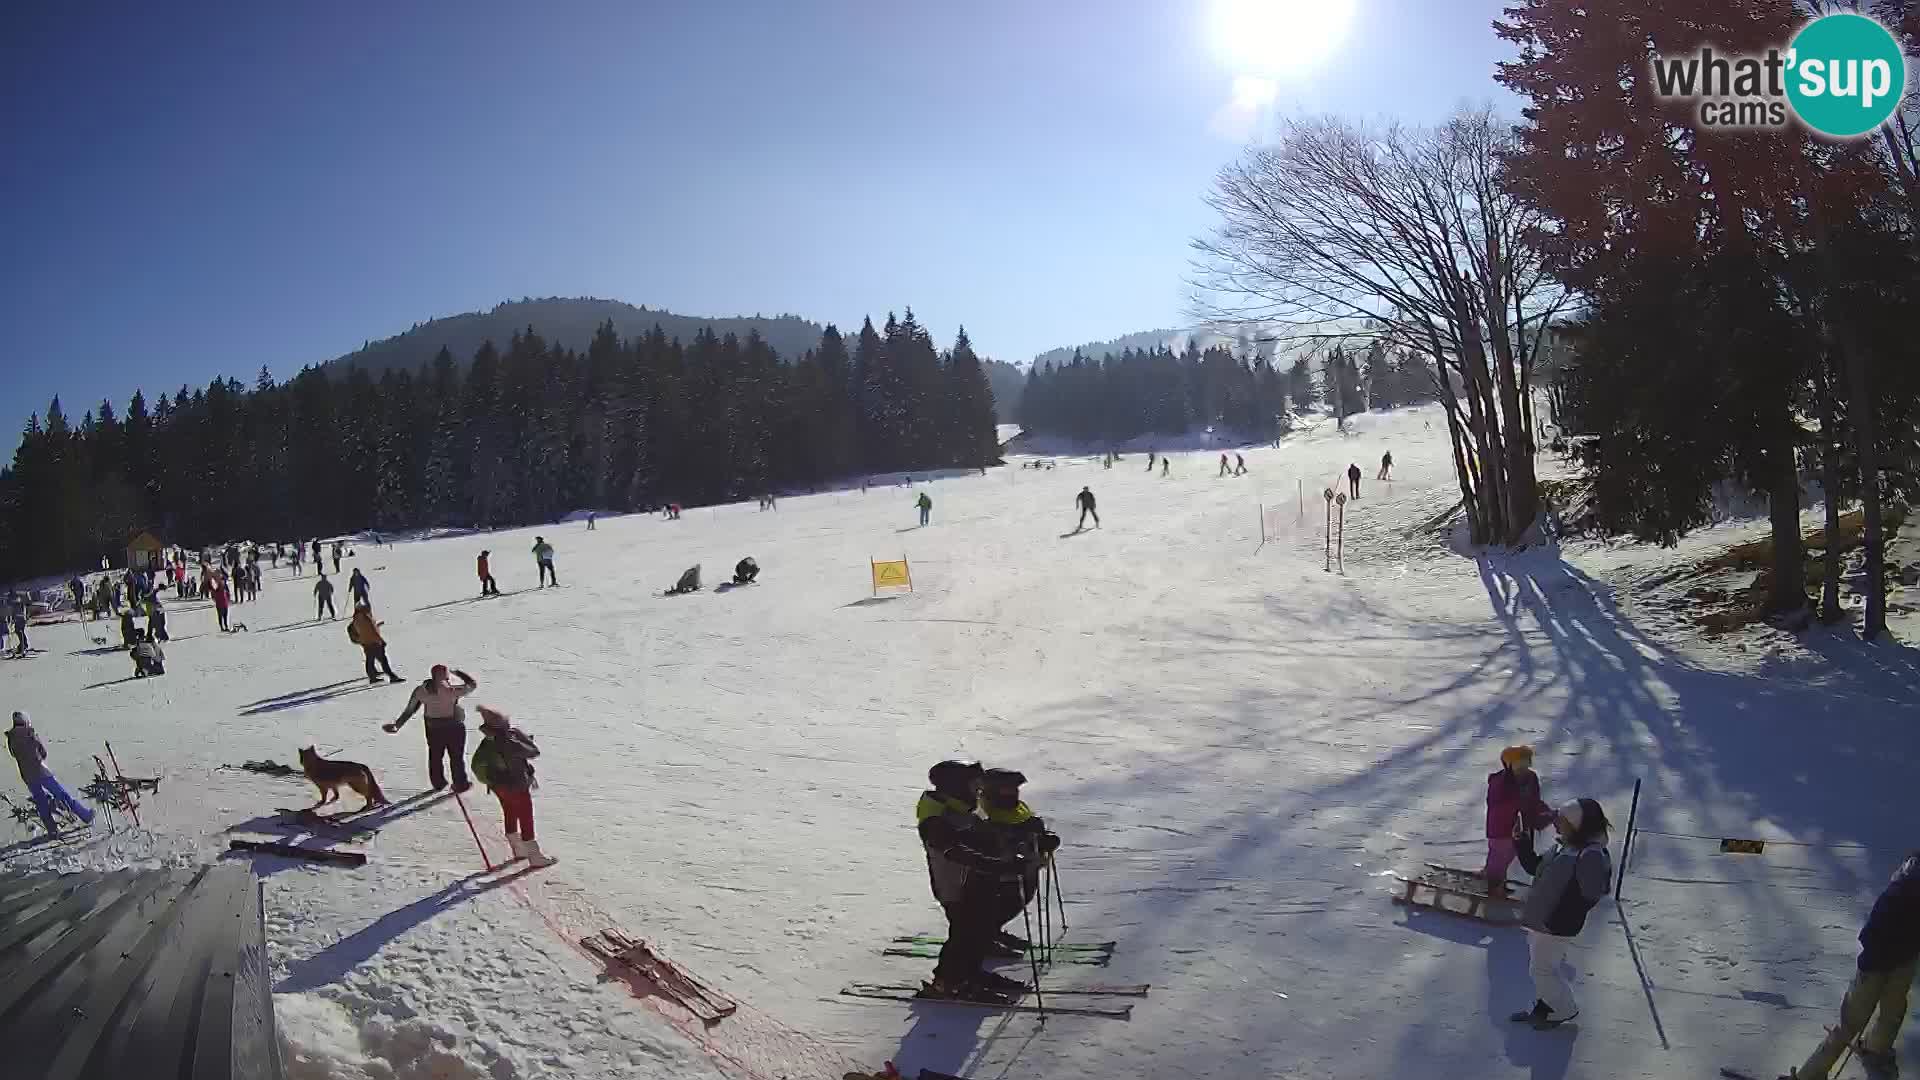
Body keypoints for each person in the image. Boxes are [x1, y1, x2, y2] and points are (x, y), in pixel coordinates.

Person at [1783, 851, 1920, 1079]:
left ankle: (1877, 1049)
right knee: (1851, 1023)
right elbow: (1872, 932)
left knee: (1893, 1011)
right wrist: (1880, 958)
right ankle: (1811, 1074)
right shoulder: (1900, 890)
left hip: (1904, 960)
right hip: (1876, 964)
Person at [915, 759, 1029, 1002]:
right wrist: (1000, 865)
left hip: (977, 882)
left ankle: (970, 974)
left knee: (980, 930)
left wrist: (1019, 847)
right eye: (972, 784)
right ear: (955, 786)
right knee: (964, 935)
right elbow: (957, 853)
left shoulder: (962, 809)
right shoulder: (936, 819)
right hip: (956, 886)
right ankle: (948, 983)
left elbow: (989, 837)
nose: (977, 790)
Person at [1511, 799, 1612, 1028]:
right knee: (1540, 967)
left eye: (1562, 820)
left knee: (1542, 969)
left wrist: (1559, 910)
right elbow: (1535, 867)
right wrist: (1521, 843)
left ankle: (1563, 1009)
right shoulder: (1563, 846)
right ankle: (1545, 1005)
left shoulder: (1590, 855)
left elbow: (1592, 894)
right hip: (1541, 919)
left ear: (1578, 825)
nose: (1556, 823)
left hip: (1557, 924)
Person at [976, 767, 1062, 959]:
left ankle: (991, 932)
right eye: (1006, 790)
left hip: (1025, 872)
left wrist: (1045, 841)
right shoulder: (982, 816)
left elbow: (1033, 832)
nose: (1013, 794)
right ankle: (982, 939)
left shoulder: (1020, 812)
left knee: (1014, 904)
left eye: (1015, 789)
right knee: (992, 907)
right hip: (995, 875)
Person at [471, 706, 555, 867]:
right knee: (525, 817)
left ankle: (518, 850)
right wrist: (522, 739)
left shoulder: (488, 741)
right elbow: (533, 752)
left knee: (509, 812)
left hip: (498, 786)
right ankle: (534, 856)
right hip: (516, 785)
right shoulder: (508, 740)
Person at [385, 664, 477, 792]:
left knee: (435, 755)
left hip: (433, 727)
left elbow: (410, 710)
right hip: (454, 727)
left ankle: (438, 783)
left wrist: (397, 725)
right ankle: (460, 784)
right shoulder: (451, 691)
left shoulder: (421, 691)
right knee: (456, 757)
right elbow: (472, 685)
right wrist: (459, 673)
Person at [7, 712, 95, 834]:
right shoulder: (30, 733)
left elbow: (14, 754)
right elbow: (43, 752)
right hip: (40, 771)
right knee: (62, 795)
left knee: (41, 801)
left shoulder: (11, 738)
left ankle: (52, 830)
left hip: (27, 775)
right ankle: (85, 815)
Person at [1486, 746, 1554, 896]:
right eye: (1518, 765)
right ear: (1508, 765)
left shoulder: (1531, 778)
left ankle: (1497, 880)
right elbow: (1499, 806)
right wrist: (1520, 805)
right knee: (1499, 856)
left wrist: (1544, 813)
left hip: (1522, 827)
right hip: (1501, 828)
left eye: (1526, 763)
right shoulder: (1500, 782)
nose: (1523, 769)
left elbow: (1535, 800)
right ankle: (1493, 885)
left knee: (1512, 855)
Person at [348, 602, 402, 684]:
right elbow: (371, 631)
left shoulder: (357, 619)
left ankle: (373, 677)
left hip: (366, 642)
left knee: (370, 660)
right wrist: (381, 640)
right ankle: (392, 677)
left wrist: (377, 625)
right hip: (373, 642)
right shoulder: (365, 618)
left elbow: (366, 630)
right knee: (383, 660)